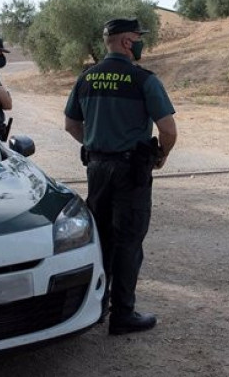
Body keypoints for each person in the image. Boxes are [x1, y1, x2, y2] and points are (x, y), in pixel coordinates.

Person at [63, 18, 178, 335]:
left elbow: (72, 126)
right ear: (127, 42)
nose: (141, 43)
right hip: (131, 172)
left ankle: (96, 308)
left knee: (102, 239)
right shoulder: (143, 80)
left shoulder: (86, 78)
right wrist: (159, 156)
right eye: (138, 38)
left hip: (97, 169)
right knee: (128, 241)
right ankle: (123, 314)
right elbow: (168, 130)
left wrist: (97, 143)